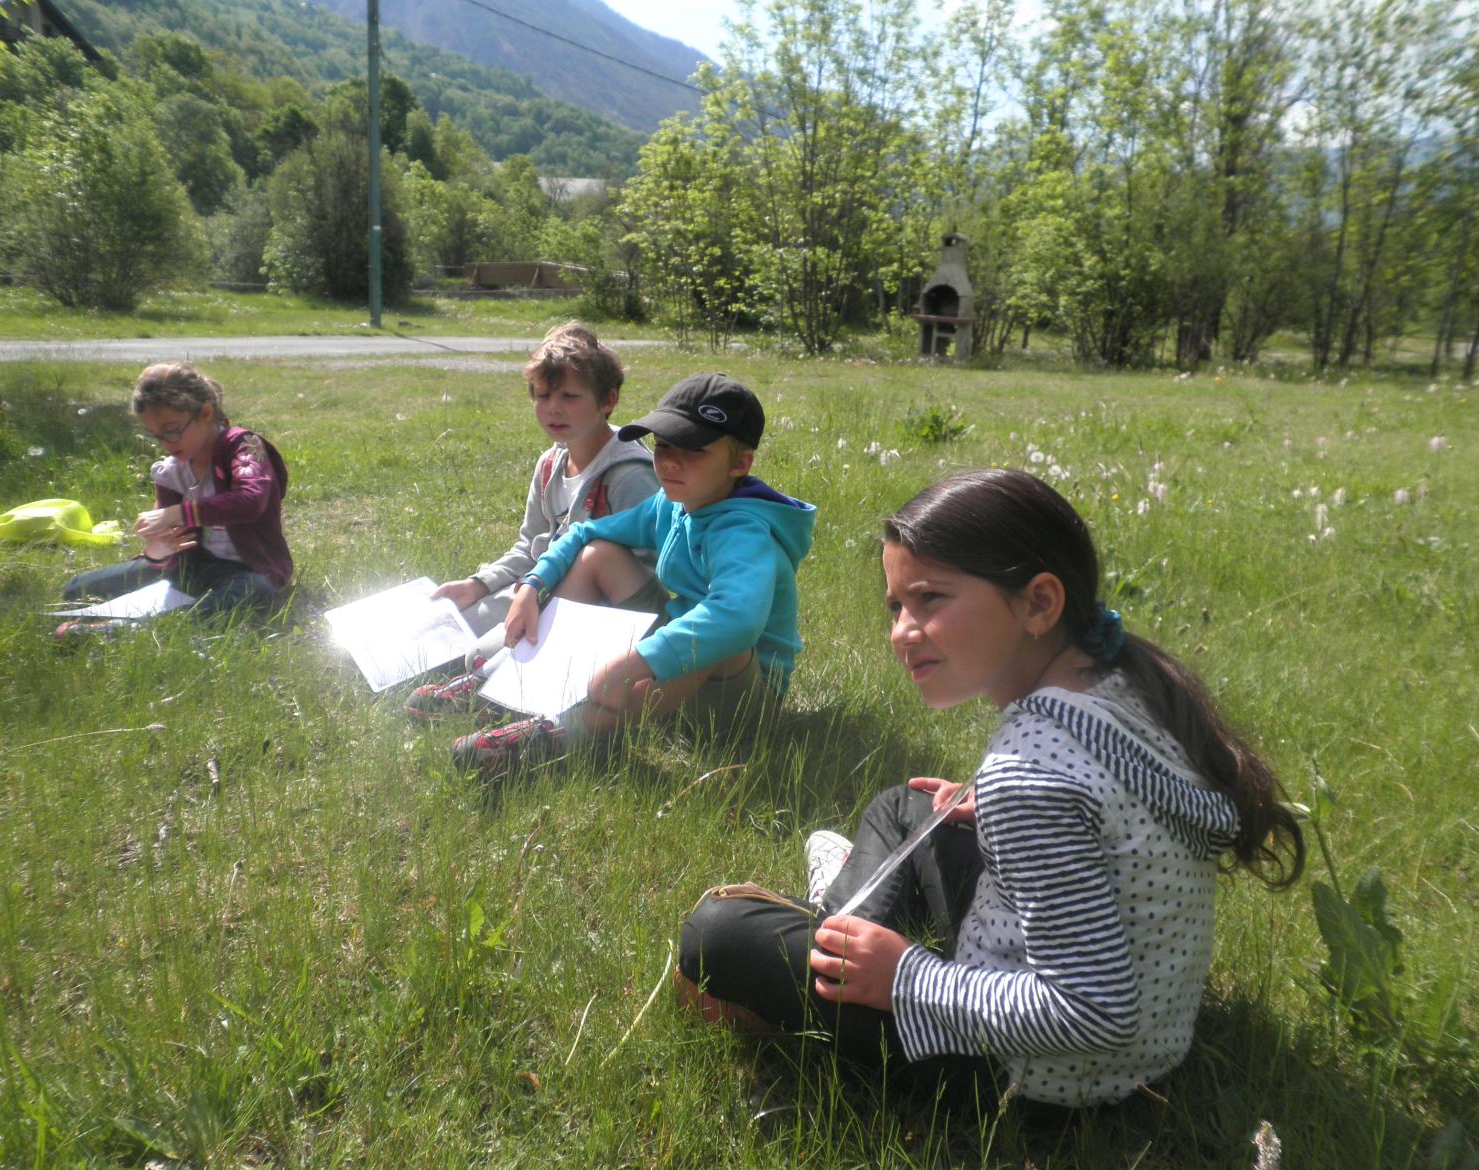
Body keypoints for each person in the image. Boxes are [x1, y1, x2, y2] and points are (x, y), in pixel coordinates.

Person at [677, 469, 1305, 1108]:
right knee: (910, 808)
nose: (902, 631)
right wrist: (1002, 820)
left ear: (1038, 603)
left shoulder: (1030, 778)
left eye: (931, 599)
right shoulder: (1121, 683)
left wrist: (904, 976)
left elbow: (1093, 1012)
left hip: (1026, 1073)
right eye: (896, 606)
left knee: (718, 931)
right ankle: (838, 923)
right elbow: (1110, 813)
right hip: (1153, 1044)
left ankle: (832, 926)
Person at [451, 372, 817, 773]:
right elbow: (587, 531)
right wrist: (534, 584)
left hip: (740, 698)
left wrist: (636, 661)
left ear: (739, 464)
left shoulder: (745, 531)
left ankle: (558, 737)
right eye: (663, 445)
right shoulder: (672, 503)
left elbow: (737, 620)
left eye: (694, 451)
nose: (671, 461)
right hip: (676, 672)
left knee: (720, 642)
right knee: (598, 554)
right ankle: (515, 683)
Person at [404, 322, 658, 720]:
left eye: (570, 397)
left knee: (482, 655)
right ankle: (463, 673)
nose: (553, 408)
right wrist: (479, 584)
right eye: (542, 395)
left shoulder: (630, 475)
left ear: (608, 400)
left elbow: (647, 575)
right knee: (455, 631)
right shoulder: (549, 465)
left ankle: (494, 692)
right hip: (541, 590)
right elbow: (530, 546)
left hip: (600, 612)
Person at [58, 362, 292, 633]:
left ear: (205, 413)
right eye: (157, 436)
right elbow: (166, 550)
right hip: (190, 565)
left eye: (173, 430)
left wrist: (178, 513)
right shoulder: (172, 471)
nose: (167, 444)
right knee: (76, 589)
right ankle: (131, 619)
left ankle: (129, 631)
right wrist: (157, 548)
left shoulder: (244, 446)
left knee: (255, 591)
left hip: (248, 569)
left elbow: (250, 501)